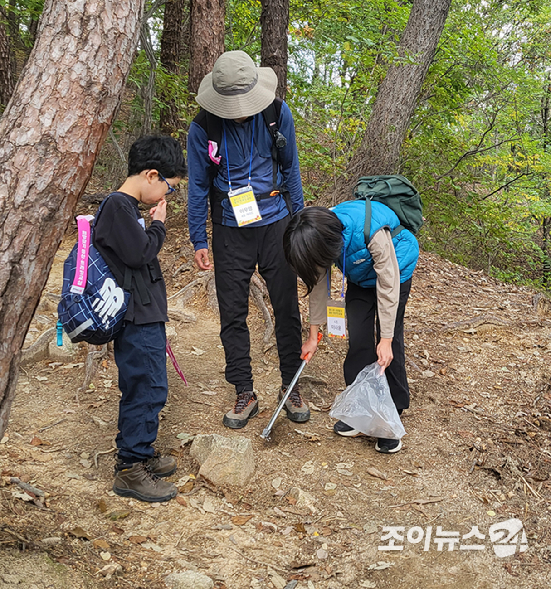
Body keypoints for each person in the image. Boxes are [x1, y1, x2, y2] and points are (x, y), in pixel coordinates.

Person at [187, 50, 310, 429]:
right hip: (229, 228)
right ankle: (244, 389)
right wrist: (198, 238)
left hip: (276, 223)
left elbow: (291, 170)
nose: (238, 110)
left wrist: (300, 223)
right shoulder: (203, 127)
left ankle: (290, 386)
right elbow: (197, 185)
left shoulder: (276, 114)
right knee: (232, 313)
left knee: (286, 307)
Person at [283, 199, 419, 454]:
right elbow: (318, 286)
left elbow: (388, 285)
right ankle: (359, 407)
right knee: (358, 337)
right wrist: (313, 336)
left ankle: (392, 413)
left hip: (396, 267)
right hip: (360, 276)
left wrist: (386, 339)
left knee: (389, 344)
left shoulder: (371, 232)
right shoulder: (319, 234)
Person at [93, 135, 187, 502]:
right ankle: (131, 468)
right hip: (135, 317)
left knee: (148, 385)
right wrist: (159, 224)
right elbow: (140, 253)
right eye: (168, 187)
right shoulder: (118, 206)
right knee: (146, 389)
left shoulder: (124, 208)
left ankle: (140, 453)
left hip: (142, 313)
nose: (168, 195)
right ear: (151, 175)